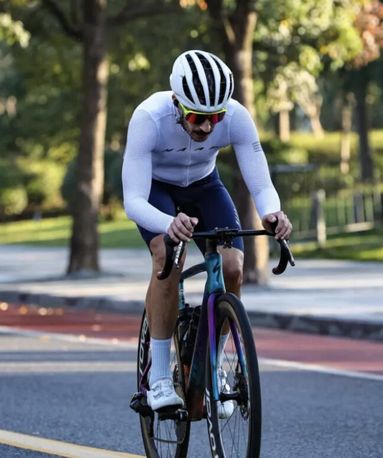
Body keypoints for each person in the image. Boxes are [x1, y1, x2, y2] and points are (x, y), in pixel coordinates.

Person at [122, 49, 292, 414]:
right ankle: (160, 380)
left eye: (215, 117)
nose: (207, 127)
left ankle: (212, 369)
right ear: (176, 102)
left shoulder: (237, 117)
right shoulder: (149, 118)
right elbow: (133, 201)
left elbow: (261, 183)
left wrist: (272, 213)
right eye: (198, 117)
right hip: (156, 191)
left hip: (204, 185)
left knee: (232, 267)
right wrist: (168, 223)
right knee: (167, 257)